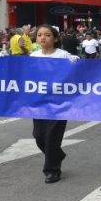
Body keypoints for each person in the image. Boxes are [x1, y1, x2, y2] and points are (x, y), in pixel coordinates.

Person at [30, 25, 79, 183]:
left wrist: (76, 64)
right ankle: (57, 155)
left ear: (55, 38)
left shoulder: (63, 55)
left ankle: (52, 170)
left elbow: (75, 77)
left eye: (47, 35)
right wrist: (5, 62)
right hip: (40, 103)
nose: (43, 38)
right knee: (39, 136)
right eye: (39, 35)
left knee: (52, 137)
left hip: (59, 104)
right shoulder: (33, 55)